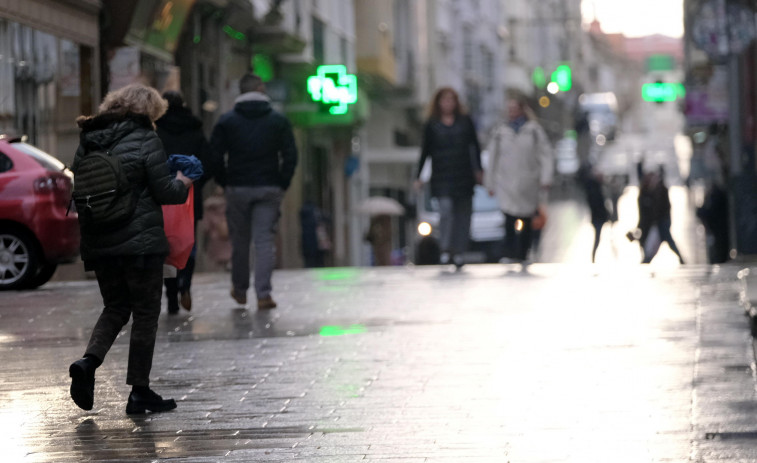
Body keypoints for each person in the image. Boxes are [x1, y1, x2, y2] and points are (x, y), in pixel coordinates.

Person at [68, 84, 193, 414]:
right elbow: (166, 192)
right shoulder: (145, 138)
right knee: (146, 314)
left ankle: (88, 362)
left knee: (114, 307)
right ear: (148, 112)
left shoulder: (88, 140)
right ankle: (139, 391)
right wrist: (184, 180)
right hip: (140, 246)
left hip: (99, 244)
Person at [210, 73, 298, 310]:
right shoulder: (278, 120)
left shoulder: (227, 121)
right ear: (260, 89)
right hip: (269, 187)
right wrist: (282, 182)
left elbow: (215, 155)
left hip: (237, 187)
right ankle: (263, 294)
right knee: (264, 241)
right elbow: (290, 155)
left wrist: (224, 181)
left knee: (239, 242)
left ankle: (240, 290)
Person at [156, 90, 215, 314]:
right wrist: (195, 182)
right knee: (188, 243)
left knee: (168, 246)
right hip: (190, 195)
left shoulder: (156, 131)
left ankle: (171, 296)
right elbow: (209, 162)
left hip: (162, 196)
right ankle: (185, 285)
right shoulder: (195, 130)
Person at [414, 87, 483, 269]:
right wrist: (419, 177)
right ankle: (445, 249)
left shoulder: (465, 122)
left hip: (463, 175)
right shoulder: (432, 124)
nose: (448, 104)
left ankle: (459, 252)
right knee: (446, 210)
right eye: (444, 100)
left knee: (463, 215)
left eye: (451, 100)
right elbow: (425, 152)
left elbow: (474, 147)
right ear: (438, 103)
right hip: (442, 176)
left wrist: (479, 170)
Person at [485, 96, 553, 266]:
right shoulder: (500, 132)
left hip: (528, 181)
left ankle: (523, 253)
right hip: (506, 181)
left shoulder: (534, 131)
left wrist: (546, 177)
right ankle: (509, 252)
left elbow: (546, 155)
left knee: (527, 218)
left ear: (522, 110)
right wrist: (489, 182)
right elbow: (492, 158)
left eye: (515, 108)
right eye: (510, 109)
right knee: (508, 218)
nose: (512, 112)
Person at [634, 165, 685, 264]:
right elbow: (644, 213)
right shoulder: (645, 193)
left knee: (663, 242)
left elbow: (664, 207)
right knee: (652, 245)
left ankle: (646, 261)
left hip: (661, 222)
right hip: (651, 224)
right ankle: (646, 261)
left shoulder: (660, 190)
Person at [578, 163, 610, 262]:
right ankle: (593, 257)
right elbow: (597, 204)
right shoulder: (593, 188)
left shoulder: (595, 187)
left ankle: (594, 257)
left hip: (599, 217)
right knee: (597, 238)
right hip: (597, 217)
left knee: (598, 237)